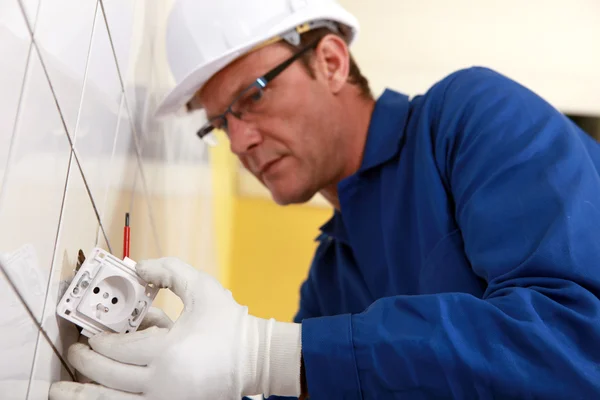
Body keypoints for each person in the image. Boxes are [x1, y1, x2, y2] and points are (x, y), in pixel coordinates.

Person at [49, 0, 600, 399]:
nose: (239, 140)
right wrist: (192, 379)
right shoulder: (330, 282)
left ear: (332, 62)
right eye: (220, 122)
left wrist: (269, 355)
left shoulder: (470, 117)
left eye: (251, 97)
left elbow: (575, 343)